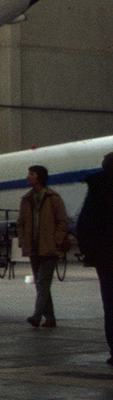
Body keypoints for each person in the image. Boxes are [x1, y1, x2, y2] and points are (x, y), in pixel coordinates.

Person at [71, 152, 113, 366]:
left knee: (110, 305)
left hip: (105, 258)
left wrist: (90, 253)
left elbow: (83, 225)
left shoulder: (97, 189)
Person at [17, 164, 70, 328]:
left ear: (39, 178)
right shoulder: (27, 199)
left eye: (31, 174)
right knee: (42, 285)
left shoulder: (53, 198)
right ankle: (50, 318)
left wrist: (57, 240)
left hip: (49, 248)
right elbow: (21, 222)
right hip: (33, 248)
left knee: (42, 283)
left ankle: (36, 316)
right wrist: (22, 239)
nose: (27, 177)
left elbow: (62, 221)